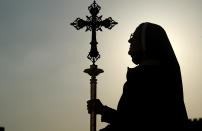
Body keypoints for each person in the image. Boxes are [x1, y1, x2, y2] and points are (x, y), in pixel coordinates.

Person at [87, 22, 189, 130]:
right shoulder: (150, 75)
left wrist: (103, 111)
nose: (129, 41)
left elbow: (137, 123)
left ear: (147, 41)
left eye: (134, 37)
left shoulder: (149, 79)